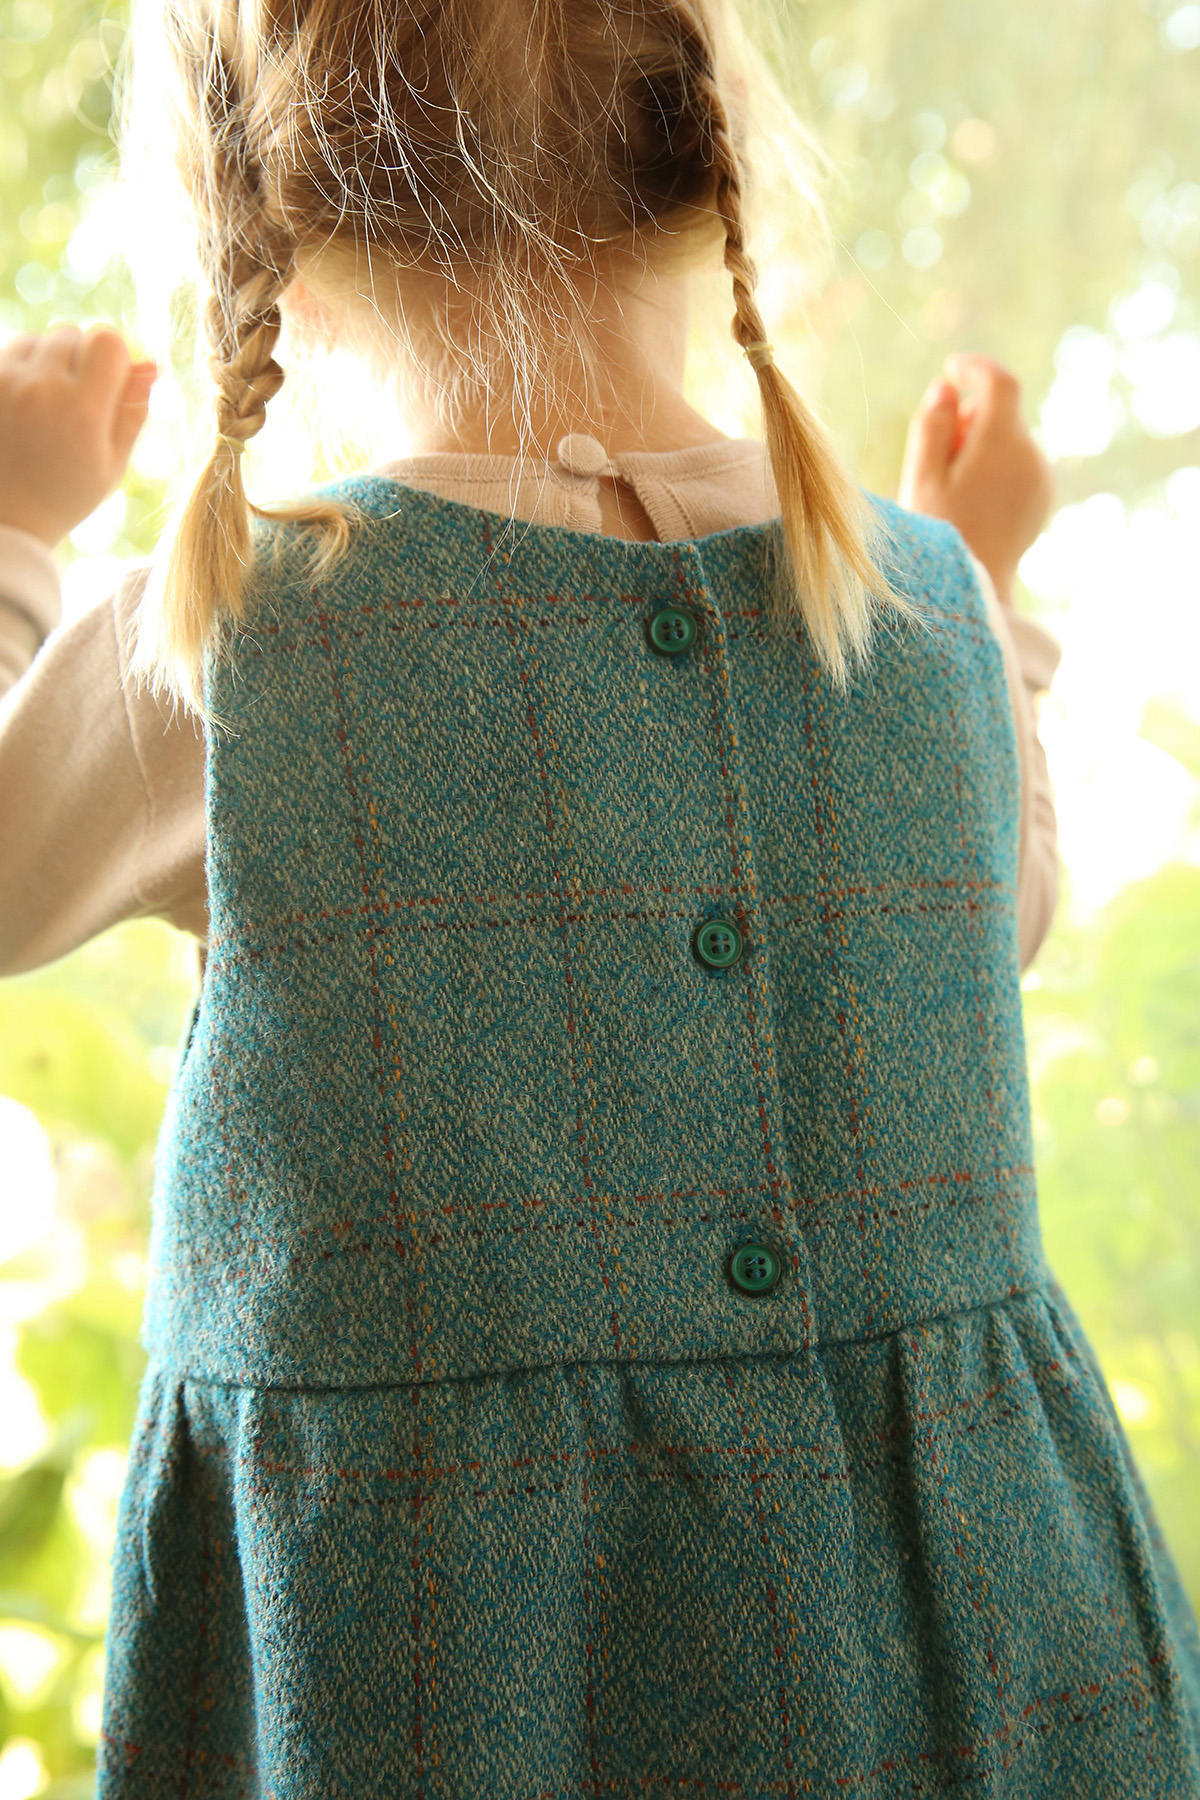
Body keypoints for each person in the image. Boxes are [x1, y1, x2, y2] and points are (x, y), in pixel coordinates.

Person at [0, 0, 1197, 1792]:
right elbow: (994, 921)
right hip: (997, 1673)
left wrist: (19, 529)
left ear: (268, 225)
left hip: (430, 1678)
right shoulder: (924, 603)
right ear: (712, 171)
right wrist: (999, 595)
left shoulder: (233, 635)